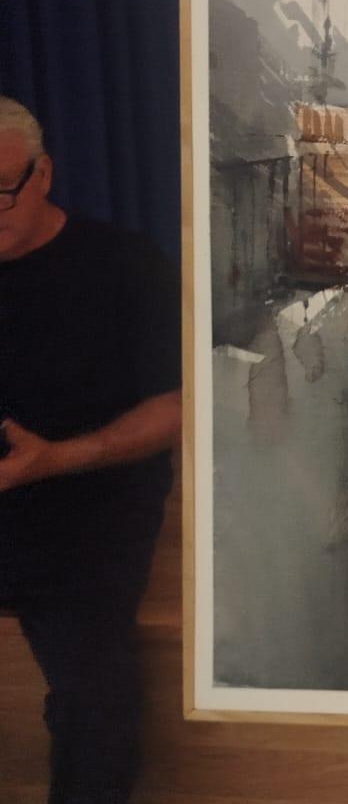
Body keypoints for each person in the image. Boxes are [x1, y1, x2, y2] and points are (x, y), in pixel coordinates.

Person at [0, 95, 182, 804]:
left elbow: (177, 407)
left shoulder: (125, 266)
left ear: (43, 173)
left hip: (88, 494)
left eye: (1, 191)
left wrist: (56, 458)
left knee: (97, 698)